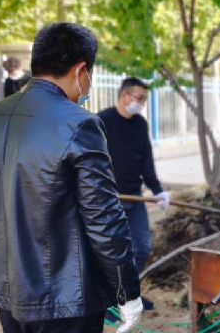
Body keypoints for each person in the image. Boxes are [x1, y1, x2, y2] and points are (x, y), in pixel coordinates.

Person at [0, 23, 144, 333]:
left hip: (10, 293)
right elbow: (104, 218)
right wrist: (127, 291)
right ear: (80, 70)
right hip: (66, 297)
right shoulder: (81, 124)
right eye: (90, 76)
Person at [98, 77, 171, 310]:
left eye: (144, 99)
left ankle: (128, 295)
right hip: (109, 200)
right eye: (138, 98)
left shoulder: (140, 124)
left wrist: (158, 191)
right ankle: (106, 299)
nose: (141, 103)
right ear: (124, 96)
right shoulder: (103, 121)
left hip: (134, 197)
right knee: (110, 251)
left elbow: (145, 161)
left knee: (141, 248)